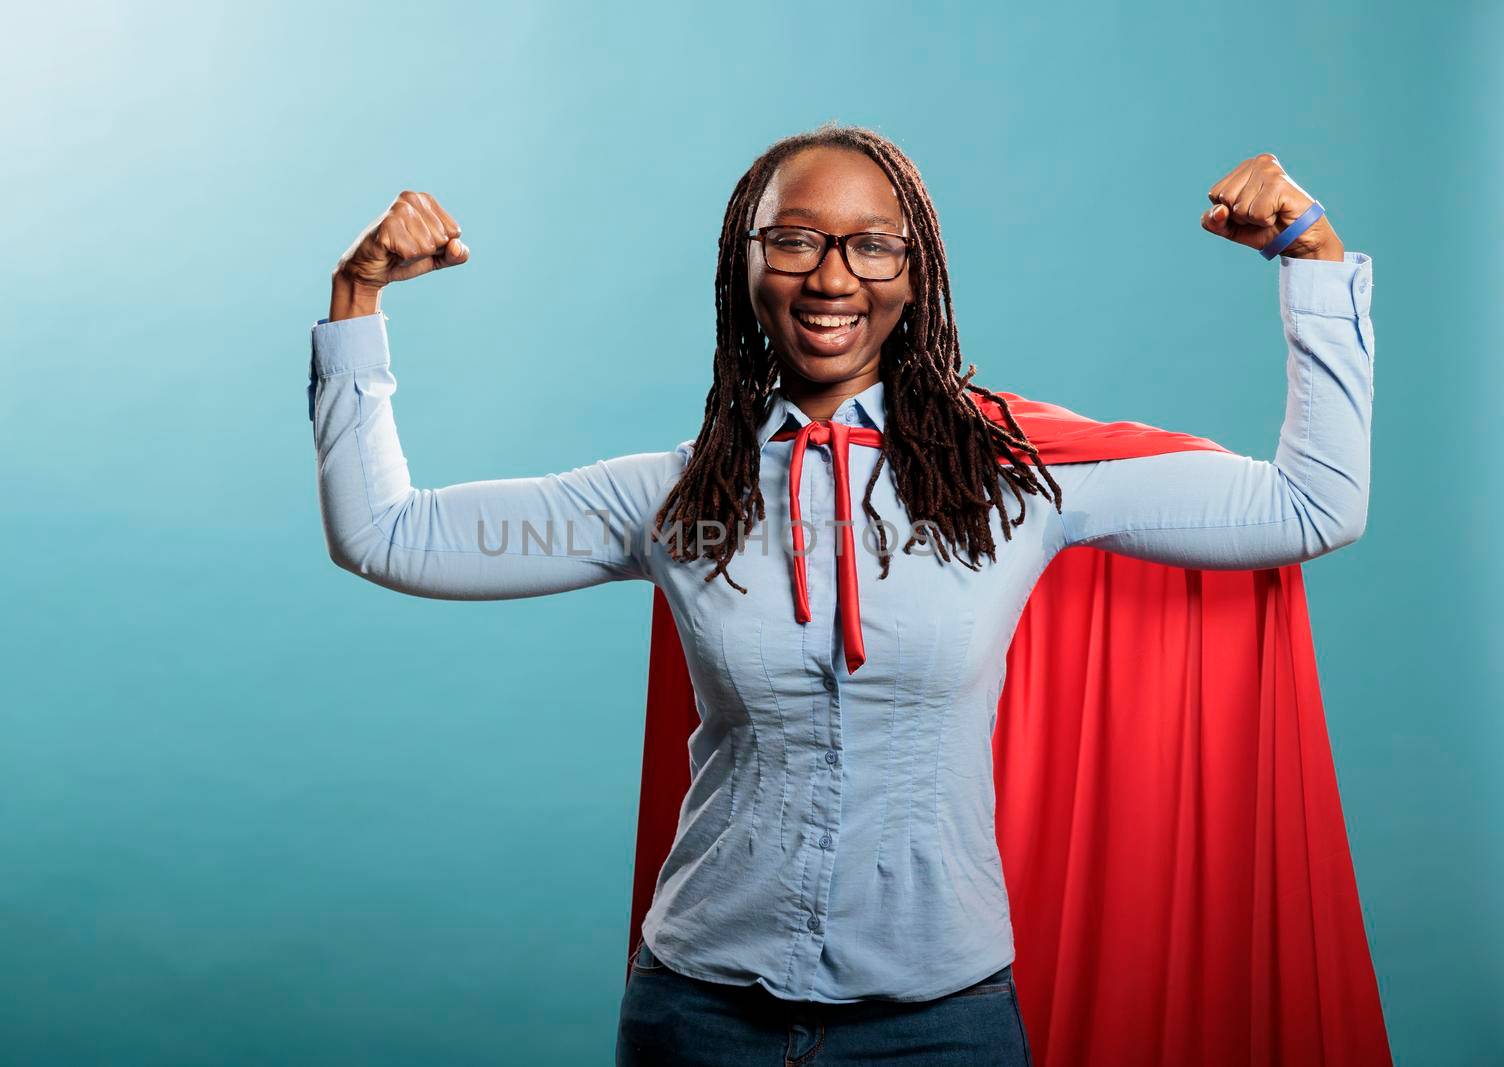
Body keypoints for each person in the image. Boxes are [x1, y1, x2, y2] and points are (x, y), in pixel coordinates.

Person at [305, 124, 1373, 1066]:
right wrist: (358, 300)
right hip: (697, 1017)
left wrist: (1311, 260)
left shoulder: (1016, 482)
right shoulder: (677, 496)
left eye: (871, 244)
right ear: (746, 265)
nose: (831, 277)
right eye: (795, 240)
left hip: (942, 1024)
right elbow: (387, 535)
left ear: (915, 276)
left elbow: (1312, 505)